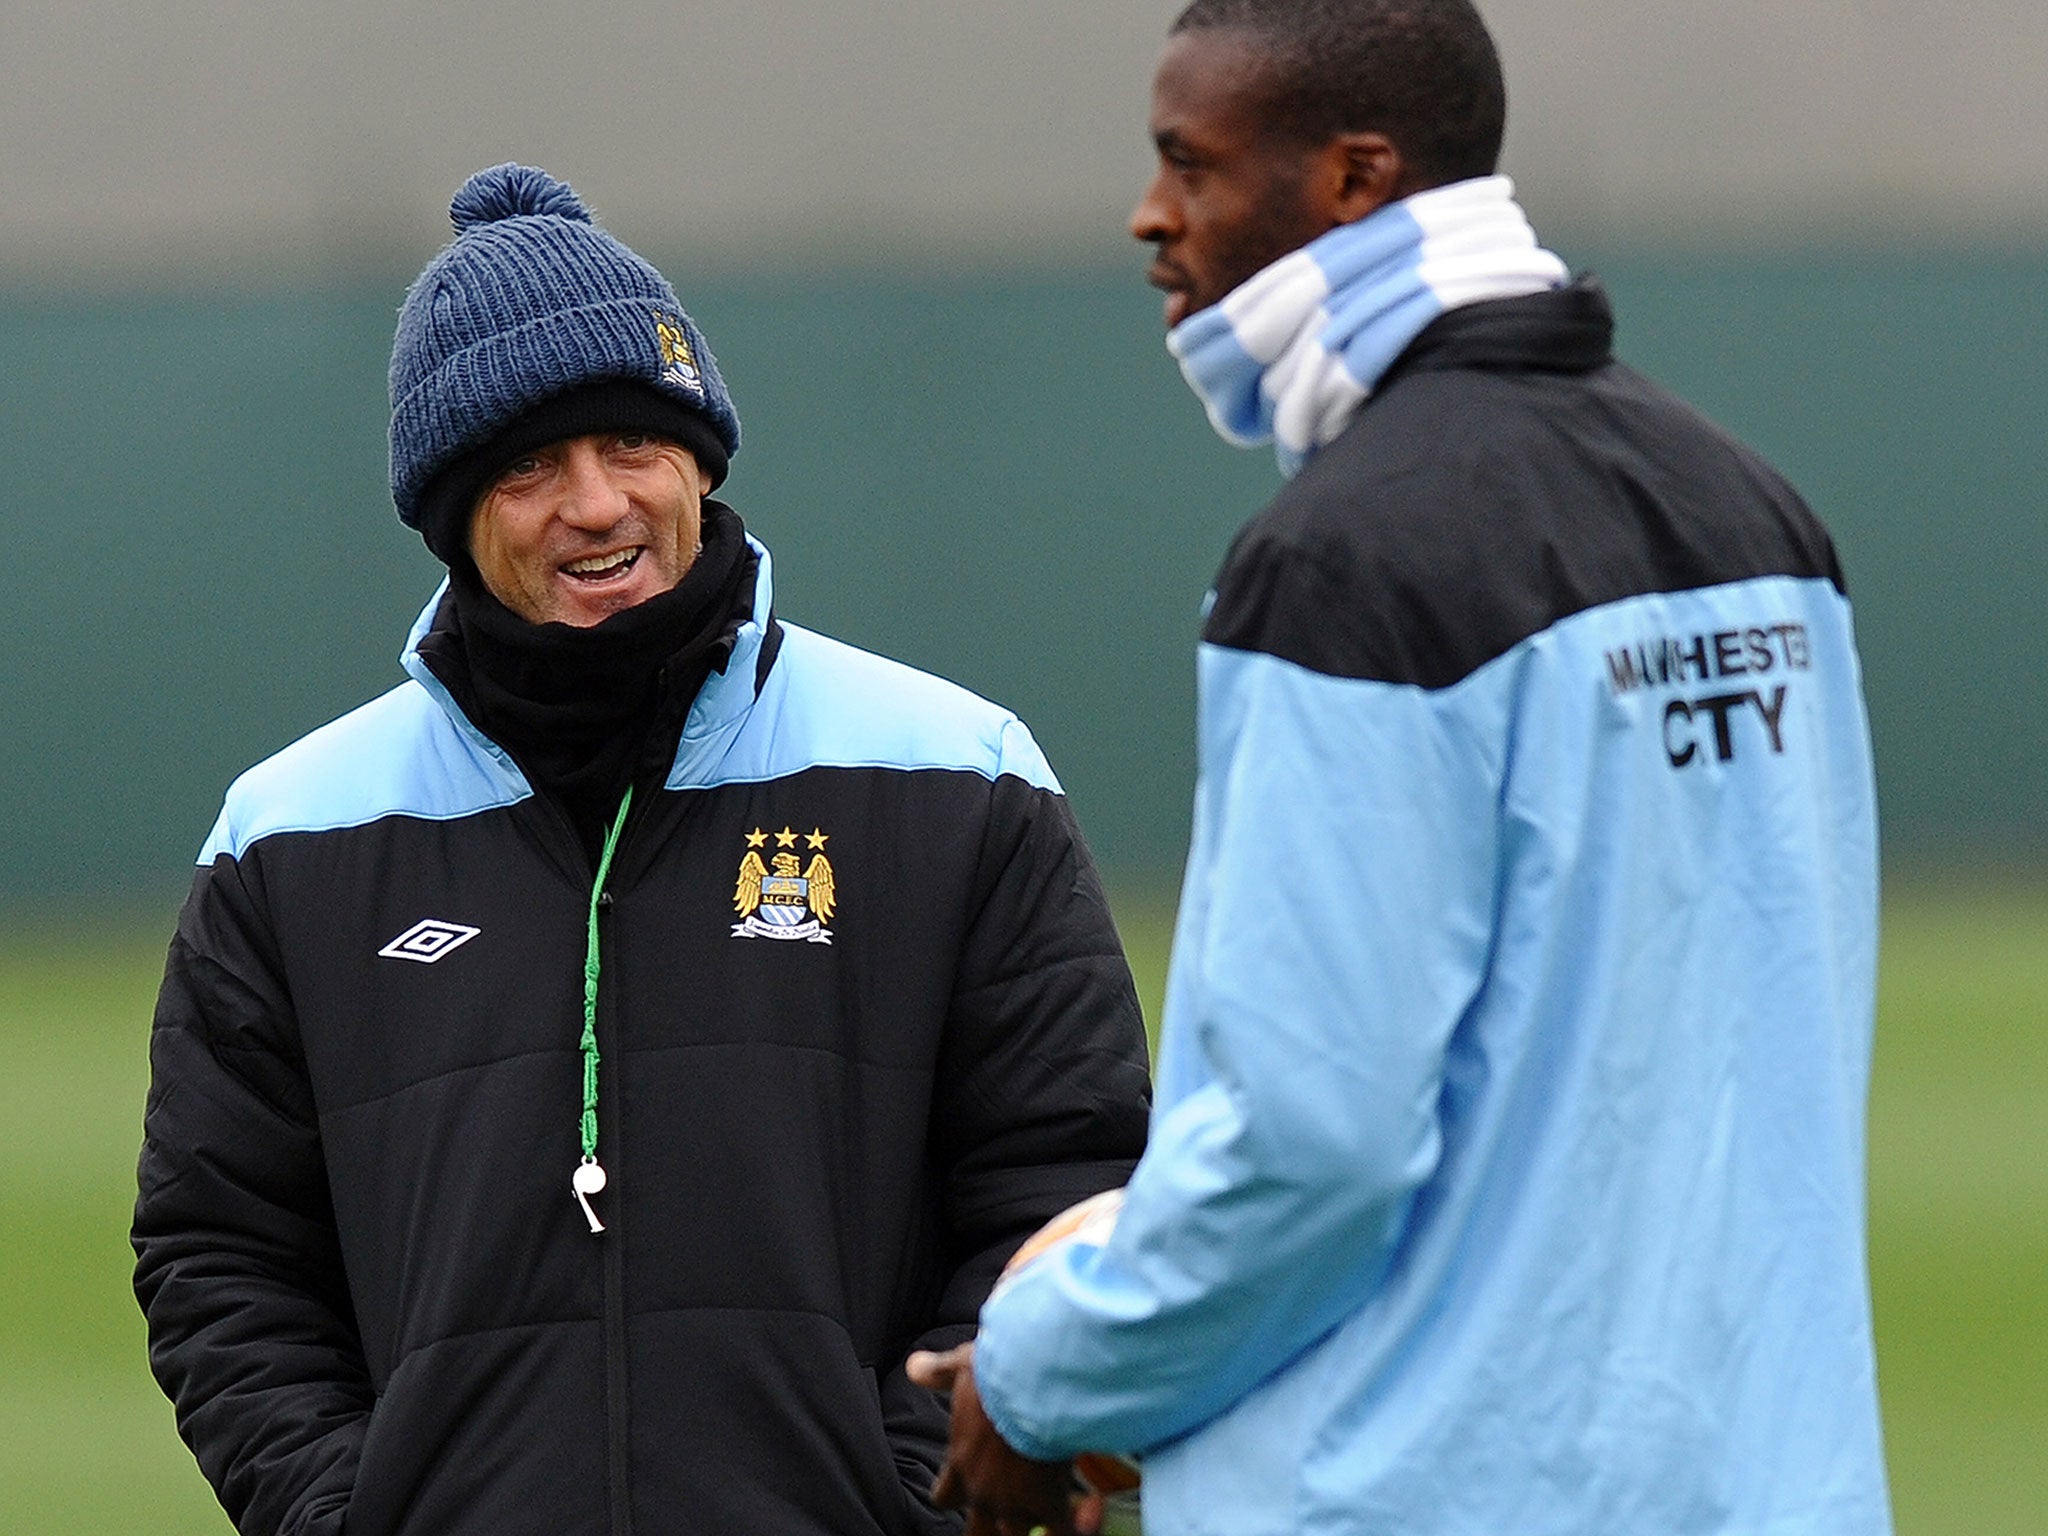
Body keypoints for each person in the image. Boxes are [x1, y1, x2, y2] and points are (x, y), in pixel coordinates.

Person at [909, 3, 1891, 1533]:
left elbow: (1309, 1144)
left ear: (1355, 178)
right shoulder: (1758, 513)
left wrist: (1040, 1379)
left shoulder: (1345, 562)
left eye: (1189, 164)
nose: (1149, 214)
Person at [131, 162, 1152, 1536]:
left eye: (632, 445)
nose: (598, 505)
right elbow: (224, 1251)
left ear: (701, 457)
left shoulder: (959, 774)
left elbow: (1065, 1183)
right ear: (451, 515)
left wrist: (909, 1499)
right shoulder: (289, 835)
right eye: (528, 467)